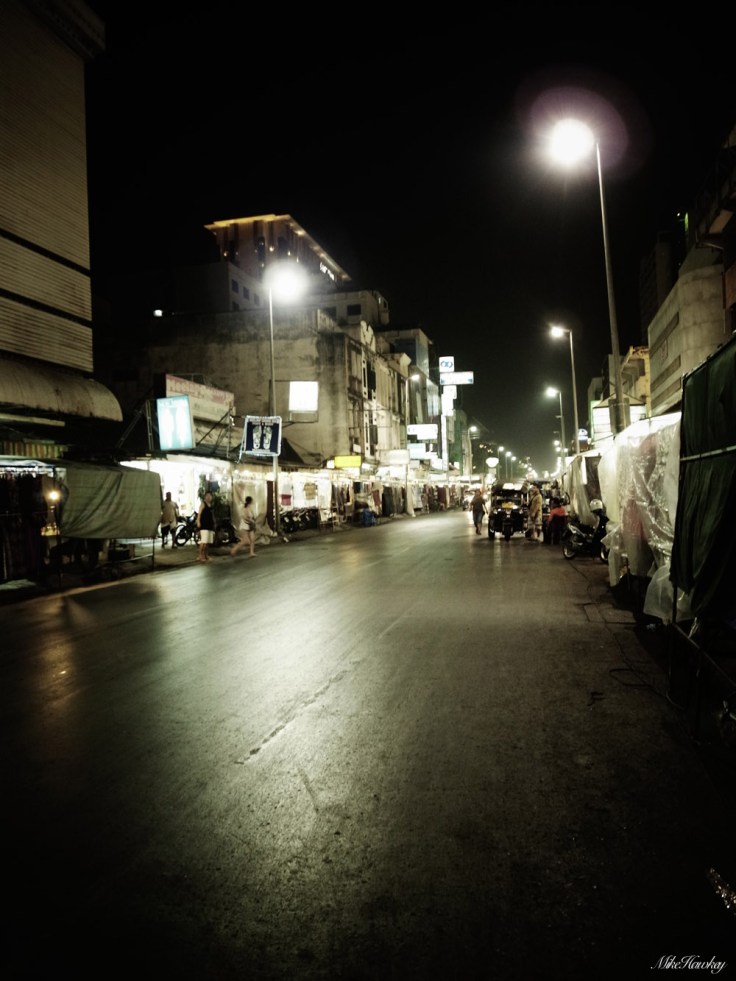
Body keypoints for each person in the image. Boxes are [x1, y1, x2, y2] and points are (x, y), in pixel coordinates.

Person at [196, 491, 215, 562]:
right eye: (207, 496)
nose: (209, 497)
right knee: (203, 542)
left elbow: (212, 515)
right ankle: (200, 556)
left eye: (210, 496)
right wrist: (198, 522)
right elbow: (199, 514)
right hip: (204, 525)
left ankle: (206, 555)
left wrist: (214, 522)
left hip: (210, 525)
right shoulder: (203, 504)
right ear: (205, 497)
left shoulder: (210, 505)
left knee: (208, 542)